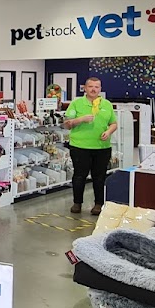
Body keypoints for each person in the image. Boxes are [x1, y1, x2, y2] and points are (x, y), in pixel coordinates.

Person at [63, 77, 117, 215]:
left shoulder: (107, 104)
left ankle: (98, 204)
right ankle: (77, 203)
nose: (94, 89)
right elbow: (67, 124)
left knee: (99, 177)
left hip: (102, 147)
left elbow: (113, 123)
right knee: (79, 176)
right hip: (80, 147)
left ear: (100, 89)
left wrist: (109, 131)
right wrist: (80, 119)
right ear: (85, 88)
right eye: (91, 86)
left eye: (97, 87)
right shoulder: (76, 104)